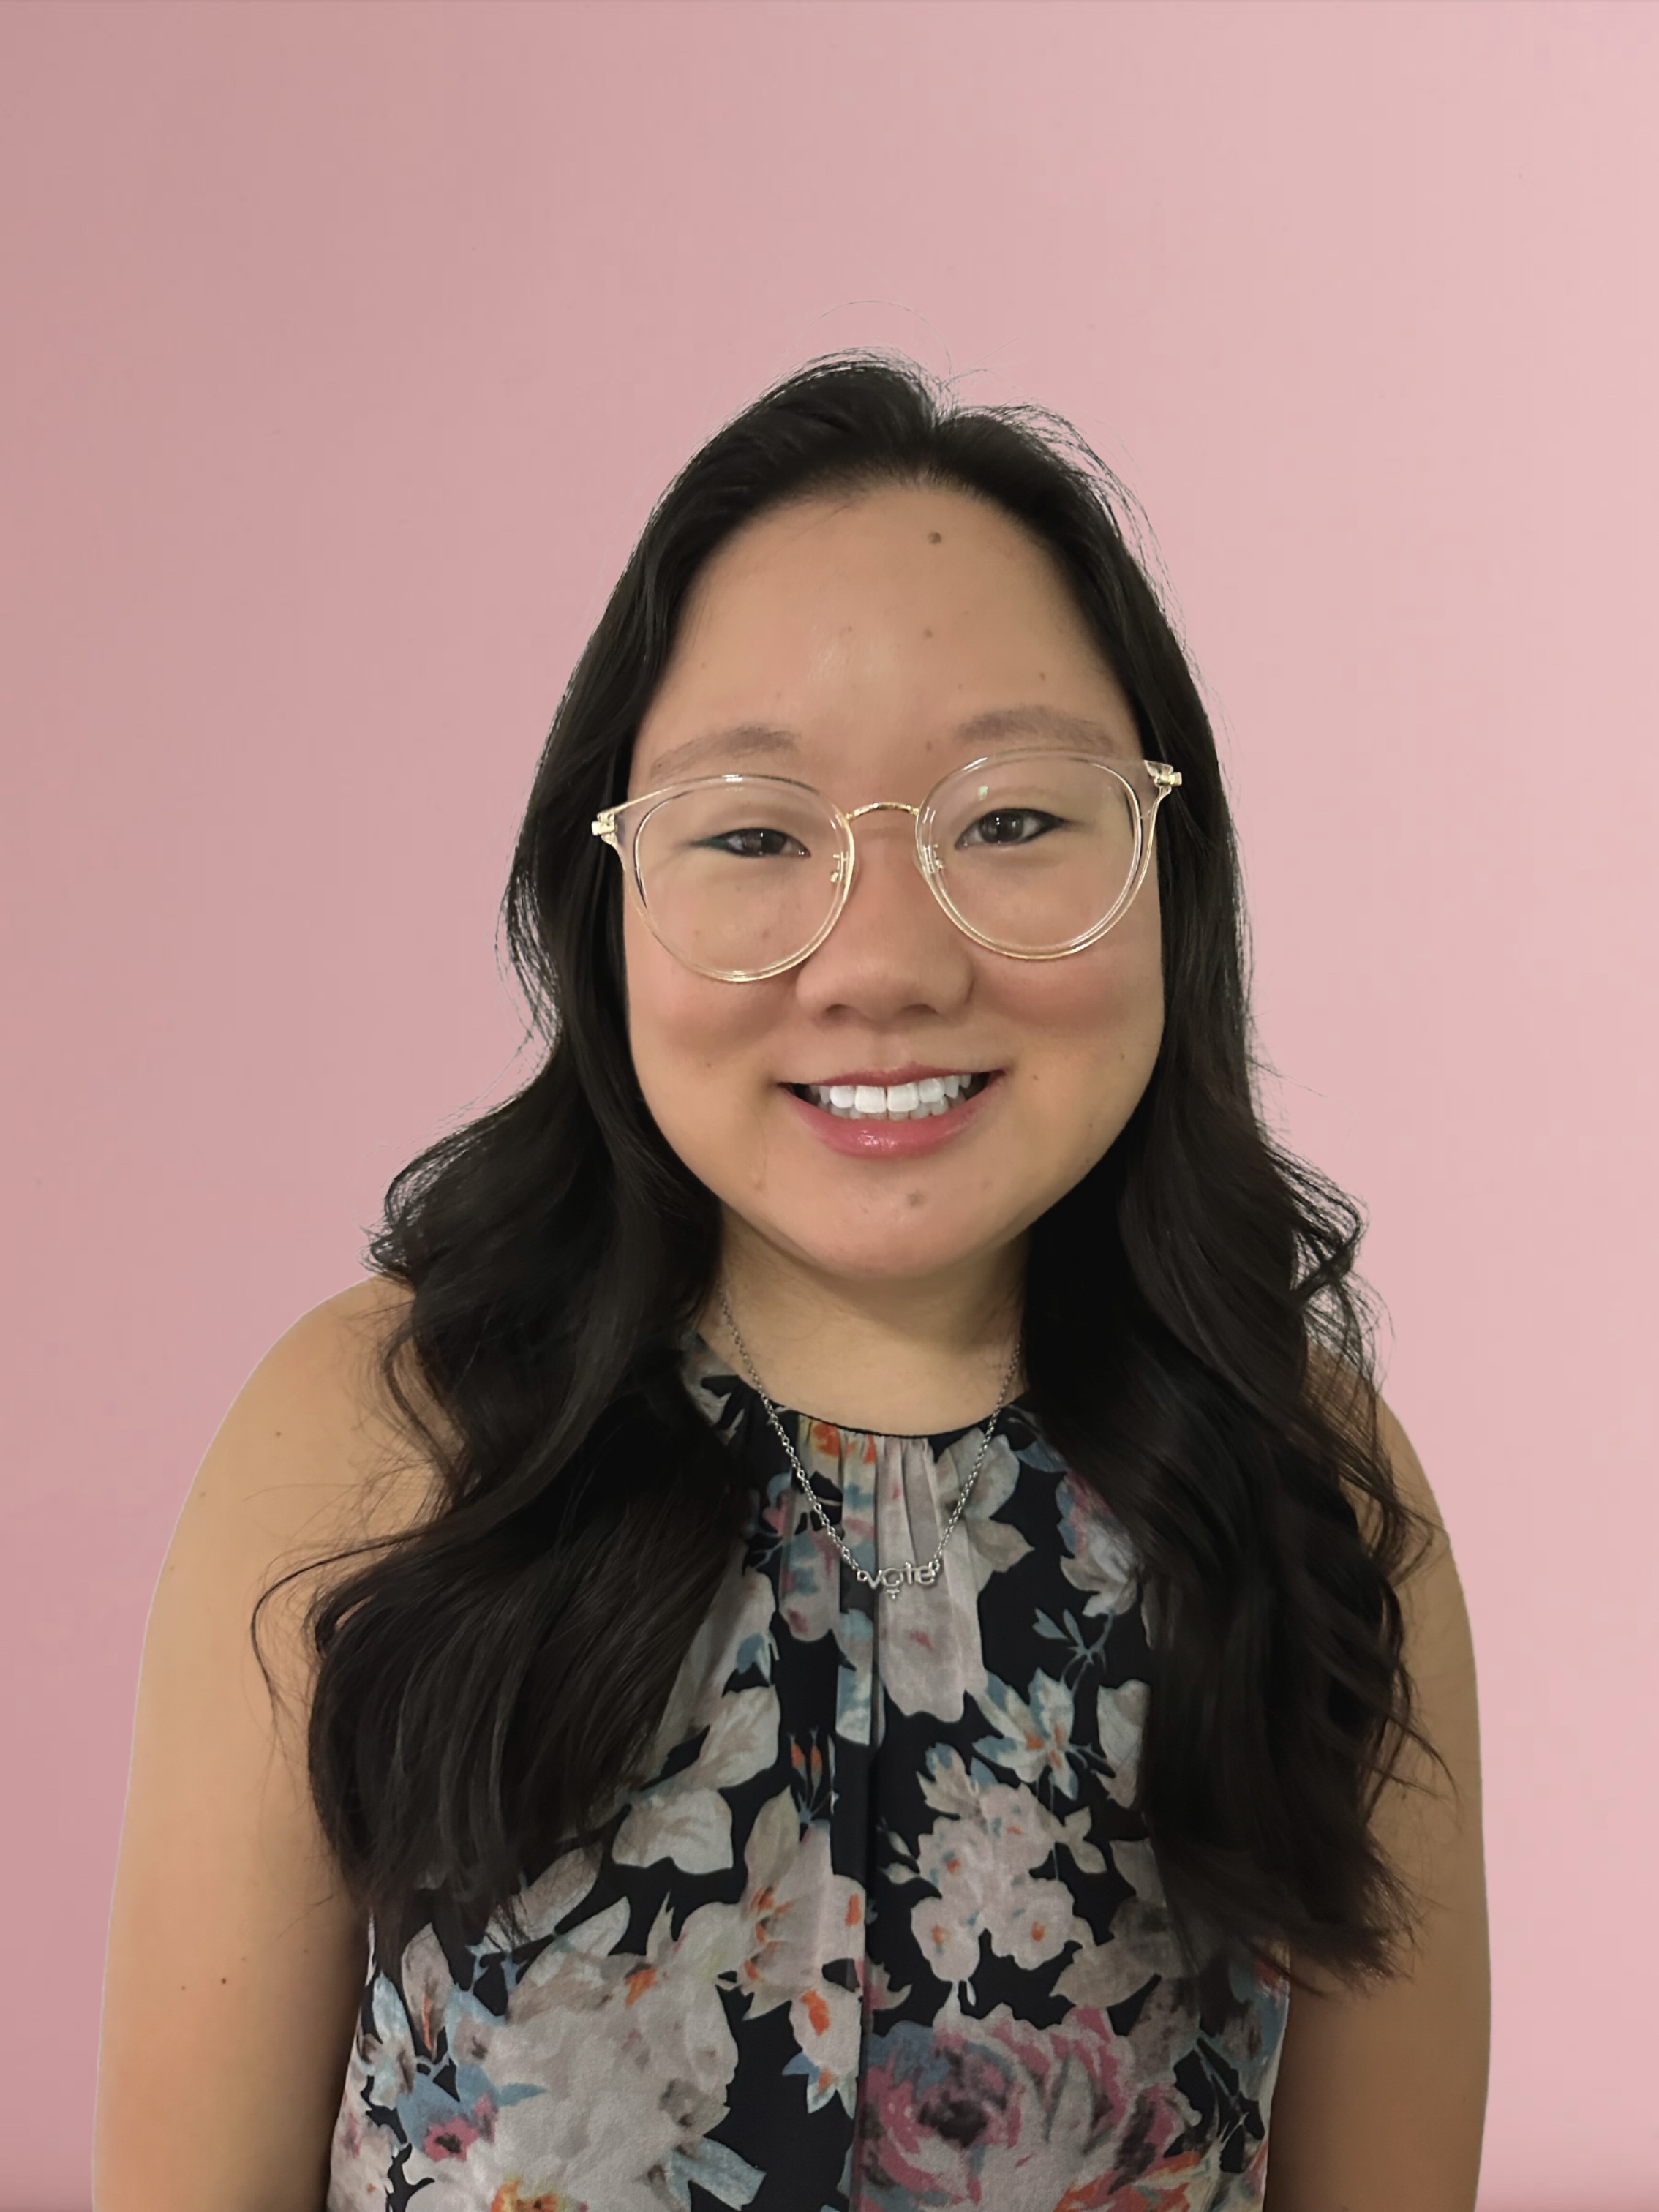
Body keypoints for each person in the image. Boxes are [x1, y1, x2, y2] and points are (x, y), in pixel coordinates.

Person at [94, 356, 1489, 2211]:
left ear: (1172, 870)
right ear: (607, 901)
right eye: (756, 834)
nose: (888, 961)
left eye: (1013, 817)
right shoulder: (384, 1435)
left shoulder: (1310, 1482)